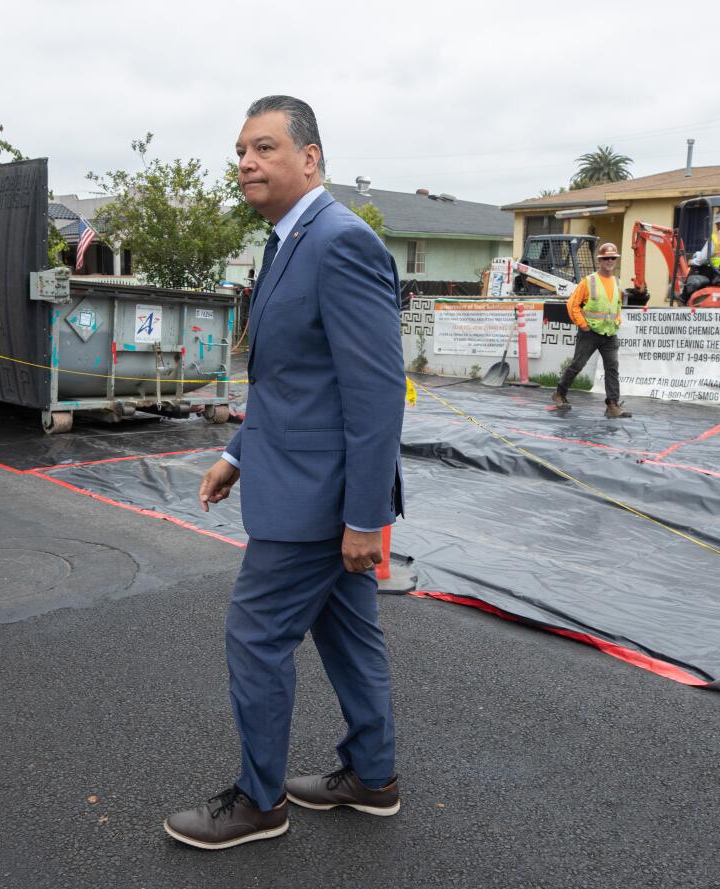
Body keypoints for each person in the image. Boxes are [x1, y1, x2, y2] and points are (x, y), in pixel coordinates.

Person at [164, 95, 406, 850]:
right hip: (298, 482)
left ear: (311, 158)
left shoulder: (339, 242)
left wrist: (366, 517)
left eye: (264, 147)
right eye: (241, 149)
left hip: (318, 502)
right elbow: (291, 380)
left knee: (255, 634)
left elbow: (374, 392)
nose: (246, 162)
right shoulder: (283, 243)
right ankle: (372, 775)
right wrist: (236, 455)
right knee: (348, 636)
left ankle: (259, 799)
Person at [553, 241, 631, 418]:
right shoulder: (589, 281)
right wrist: (583, 325)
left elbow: (616, 306)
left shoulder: (617, 282)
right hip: (590, 333)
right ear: (600, 261)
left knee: (612, 368)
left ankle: (612, 404)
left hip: (609, 334)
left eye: (613, 258)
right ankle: (559, 393)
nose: (610, 261)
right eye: (606, 258)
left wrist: (617, 321)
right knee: (577, 365)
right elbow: (572, 305)